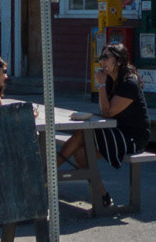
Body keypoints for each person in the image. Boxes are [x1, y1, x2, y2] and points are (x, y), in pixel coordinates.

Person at [61, 42, 150, 208]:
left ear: (119, 60)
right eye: (100, 58)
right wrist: (103, 84)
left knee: (82, 134)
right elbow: (105, 112)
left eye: (106, 57)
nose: (102, 62)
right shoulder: (111, 81)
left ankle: (46, 172)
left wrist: (101, 84)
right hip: (116, 130)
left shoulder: (129, 84)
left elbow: (108, 112)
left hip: (133, 137)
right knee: (80, 153)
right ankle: (102, 196)